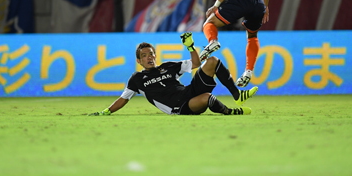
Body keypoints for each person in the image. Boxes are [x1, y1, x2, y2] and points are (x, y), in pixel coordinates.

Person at [88, 33, 258, 116]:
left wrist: (190, 47)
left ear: (155, 55)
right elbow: (124, 98)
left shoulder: (168, 67)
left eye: (151, 54)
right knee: (206, 98)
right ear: (139, 61)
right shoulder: (137, 79)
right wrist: (106, 112)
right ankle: (231, 112)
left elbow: (196, 64)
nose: (149, 58)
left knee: (212, 61)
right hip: (179, 107)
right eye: (144, 56)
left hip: (189, 91)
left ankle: (237, 94)